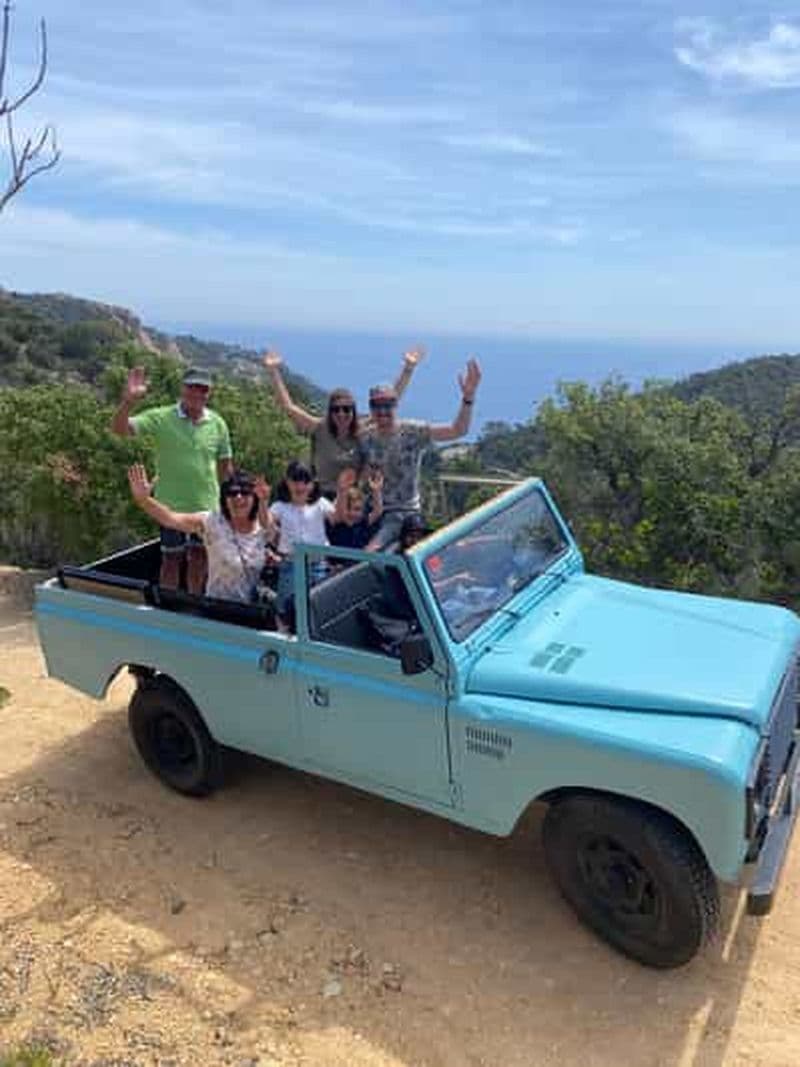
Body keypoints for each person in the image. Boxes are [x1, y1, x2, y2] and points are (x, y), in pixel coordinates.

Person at [111, 365, 234, 594]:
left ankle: (195, 609)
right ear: (182, 388)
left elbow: (226, 469)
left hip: (207, 508)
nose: (197, 393)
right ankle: (168, 610)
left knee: (199, 560)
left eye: (203, 389)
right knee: (171, 560)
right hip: (169, 507)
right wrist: (128, 402)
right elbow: (120, 429)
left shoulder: (218, 423)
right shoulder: (161, 417)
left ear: (209, 393)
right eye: (192, 387)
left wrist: (233, 507)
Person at [262, 347, 425, 497]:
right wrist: (273, 371)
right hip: (322, 498)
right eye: (336, 409)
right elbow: (289, 407)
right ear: (330, 412)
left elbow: (388, 401)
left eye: (347, 409)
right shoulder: (319, 429)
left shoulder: (361, 430)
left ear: (353, 412)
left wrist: (408, 368)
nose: (341, 413)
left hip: (352, 500)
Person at [363, 359, 482, 550]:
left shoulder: (412, 431)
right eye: (377, 405)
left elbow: (457, 430)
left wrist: (468, 398)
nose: (383, 411)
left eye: (388, 404)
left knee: (370, 554)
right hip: (372, 511)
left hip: (403, 513)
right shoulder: (365, 438)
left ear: (396, 405)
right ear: (371, 408)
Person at [127, 465, 275, 604]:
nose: (238, 497)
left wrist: (264, 501)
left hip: (253, 611)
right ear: (224, 498)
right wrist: (144, 500)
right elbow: (171, 518)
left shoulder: (262, 526)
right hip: (218, 609)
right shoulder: (212, 522)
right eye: (232, 493)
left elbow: (275, 534)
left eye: (245, 492)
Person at [269, 459, 335, 626]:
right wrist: (262, 501)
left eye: (305, 481)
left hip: (317, 565)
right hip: (291, 565)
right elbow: (265, 523)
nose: (300, 486)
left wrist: (341, 491)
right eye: (295, 481)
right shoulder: (280, 506)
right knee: (284, 608)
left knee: (318, 608)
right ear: (287, 482)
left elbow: (337, 518)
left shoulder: (321, 503)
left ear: (313, 484)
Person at [326, 467, 384, 550]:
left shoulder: (362, 523)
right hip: (335, 562)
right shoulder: (337, 522)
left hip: (357, 562)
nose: (353, 513)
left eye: (358, 509)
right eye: (348, 508)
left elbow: (377, 511)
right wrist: (342, 490)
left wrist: (376, 491)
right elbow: (341, 512)